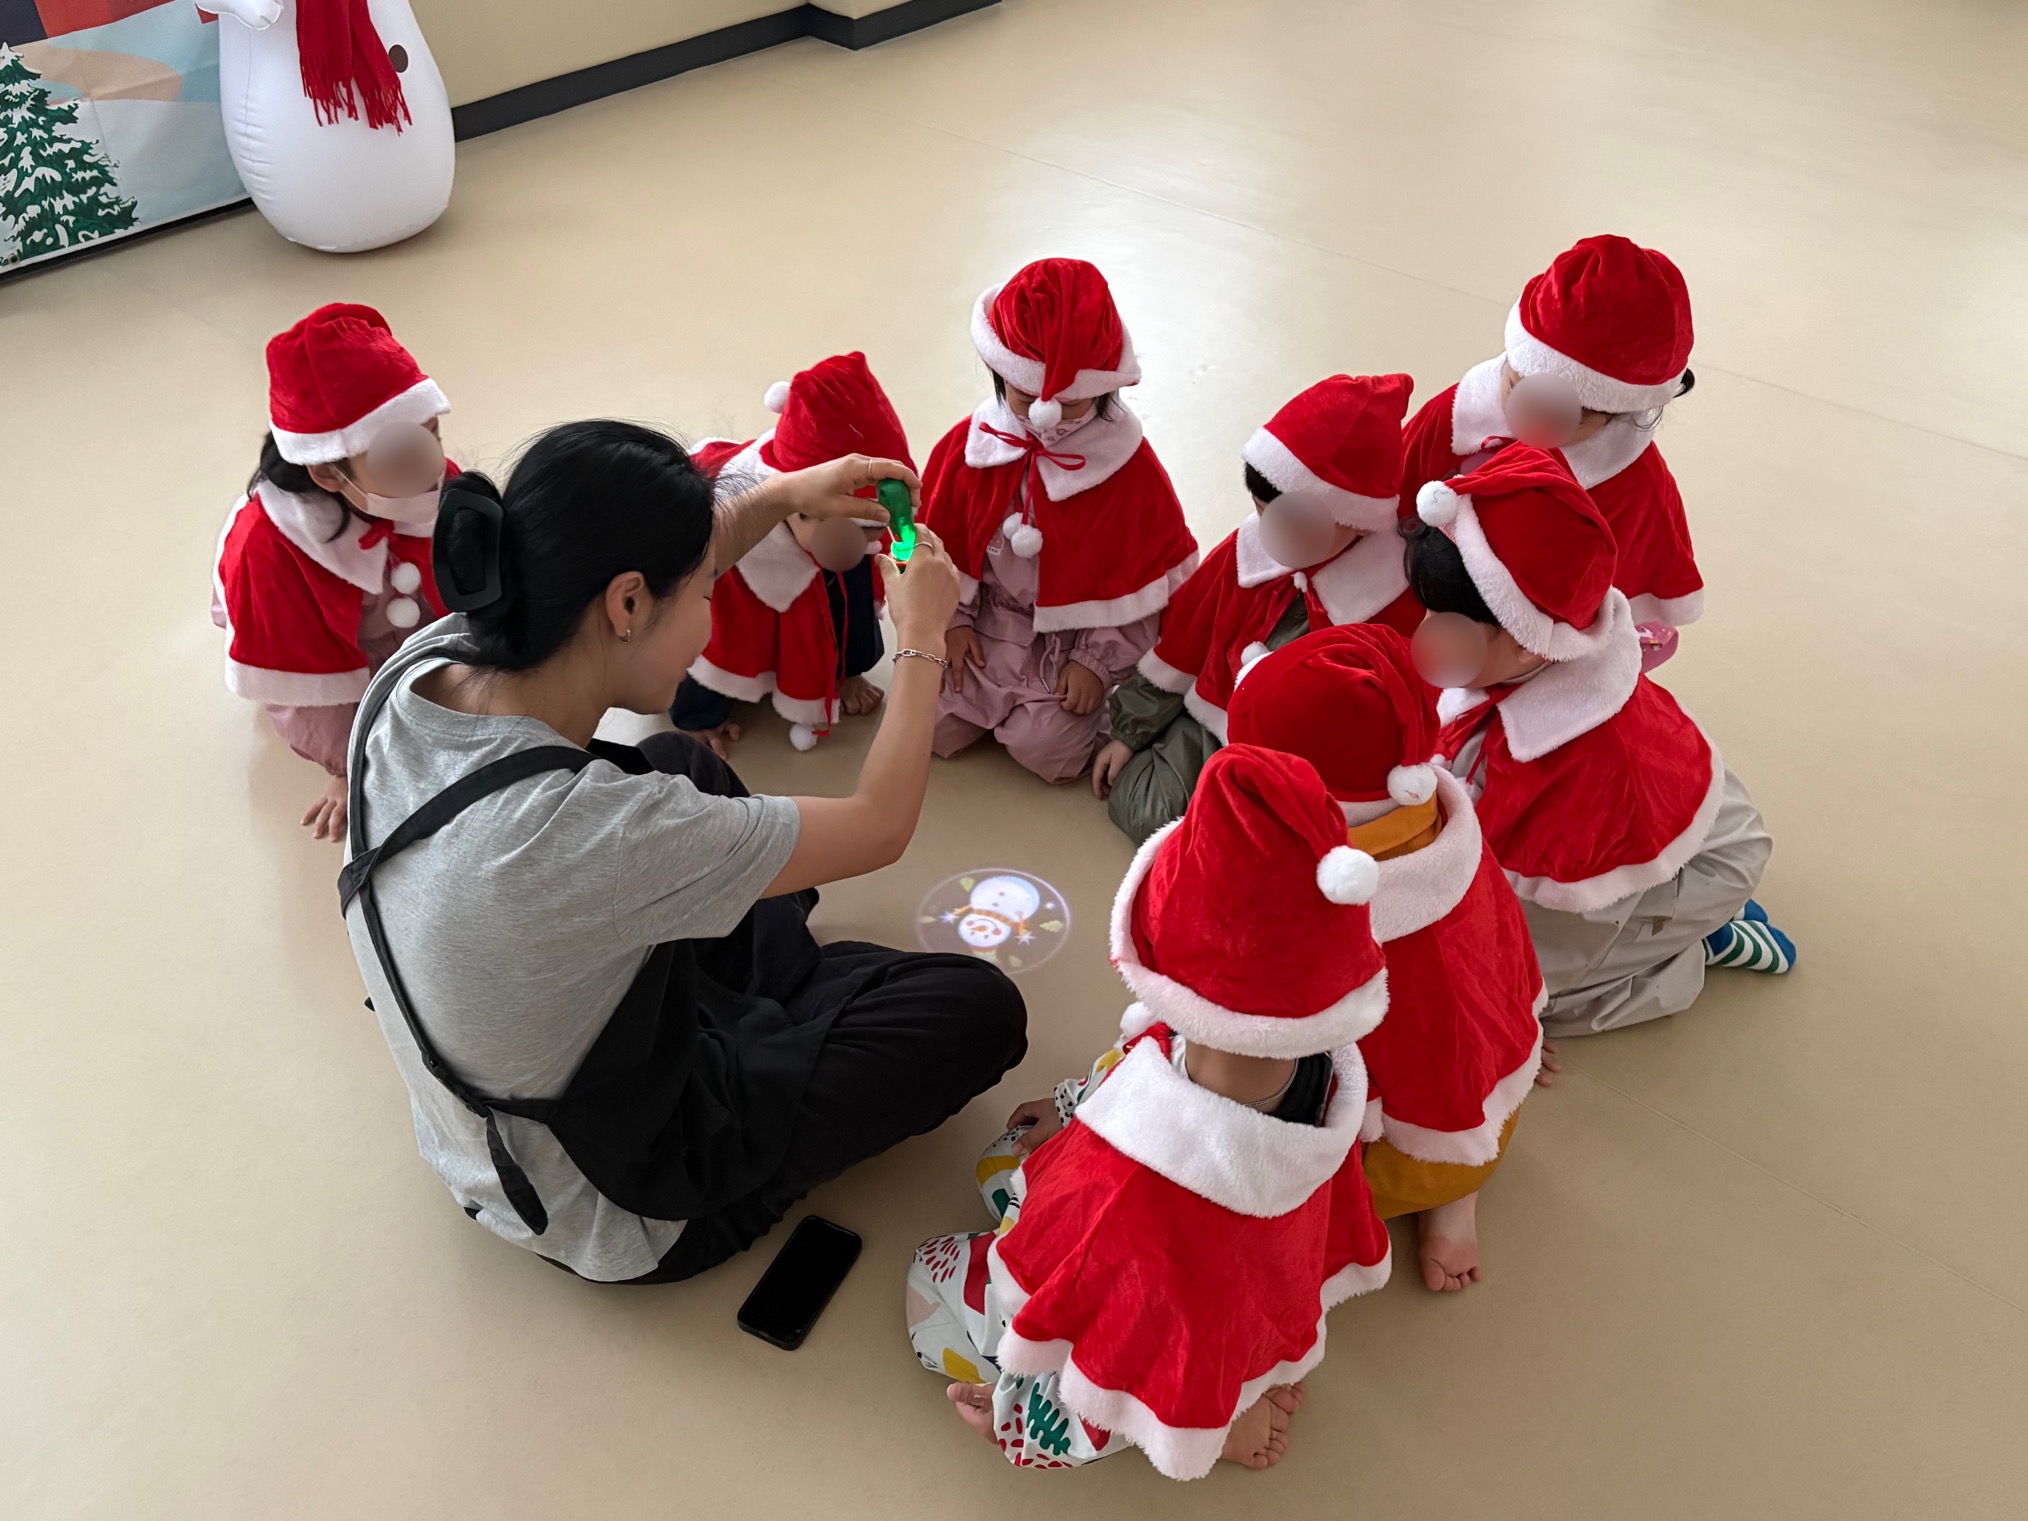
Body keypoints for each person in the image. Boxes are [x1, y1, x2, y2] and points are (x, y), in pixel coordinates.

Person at [338, 419, 1027, 1284]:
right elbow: (880, 824)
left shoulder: (425, 662)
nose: (711, 615)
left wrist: (784, 493)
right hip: (613, 1197)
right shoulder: (586, 833)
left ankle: (774, 1004)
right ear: (626, 604)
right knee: (975, 1009)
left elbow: (652, 575)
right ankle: (781, 1018)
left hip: (518, 1085)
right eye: (706, 591)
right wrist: (920, 634)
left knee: (676, 761)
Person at [905, 745, 1393, 1479]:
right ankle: (1244, 1386)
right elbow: (1145, 1064)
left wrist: (1014, 1419)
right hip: (1246, 1292)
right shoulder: (1322, 1074)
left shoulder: (1136, 1181)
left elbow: (1096, 1282)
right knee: (1007, 1164)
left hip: (1161, 1301)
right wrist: (1077, 1108)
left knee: (930, 1290)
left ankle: (1205, 1421)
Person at [1404, 445, 1792, 1046]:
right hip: (1665, 824)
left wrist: (1513, 1016)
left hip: (1695, 865)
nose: (1424, 634)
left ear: (1526, 642)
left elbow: (1564, 936)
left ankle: (1700, 944)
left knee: (1551, 1003)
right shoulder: (1532, 651)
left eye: (1445, 623)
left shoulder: (1588, 773)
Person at [1227, 624, 1543, 1291]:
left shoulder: (1383, 911)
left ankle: (1453, 1190)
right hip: (1457, 1053)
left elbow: (1431, 1048)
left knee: (1301, 1191)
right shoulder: (1425, 814)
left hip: (1416, 1099)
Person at [1094, 373, 1423, 840]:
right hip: (1215, 710)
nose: (1271, 534)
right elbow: (1187, 636)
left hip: (1299, 755)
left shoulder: (1390, 603)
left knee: (1267, 837)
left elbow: (1392, 715)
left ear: (1356, 521)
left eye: (1292, 523)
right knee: (1143, 808)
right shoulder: (1250, 549)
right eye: (1263, 512)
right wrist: (1131, 730)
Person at [919, 257, 1198, 783]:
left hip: (1070, 641)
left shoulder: (1128, 471)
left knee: (1048, 751)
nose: (1044, 416)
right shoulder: (971, 447)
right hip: (984, 624)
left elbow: (1140, 581)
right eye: (1024, 397)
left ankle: (1078, 711)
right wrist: (950, 622)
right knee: (929, 725)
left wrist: (1095, 661)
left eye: (1070, 405)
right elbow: (933, 543)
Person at [1399, 235, 1703, 668]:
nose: (1530, 420)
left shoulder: (1634, 488)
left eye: (1562, 417)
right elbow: (1397, 482)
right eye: (1516, 389)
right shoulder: (1460, 411)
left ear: (1618, 413)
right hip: (1427, 580)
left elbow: (1613, 593)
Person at [212, 302, 454, 842]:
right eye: (401, 456)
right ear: (326, 473)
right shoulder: (270, 553)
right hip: (305, 633)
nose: (430, 467)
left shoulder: (420, 476)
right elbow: (305, 682)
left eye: (432, 434)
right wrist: (347, 769)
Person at [672, 354, 908, 755]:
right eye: (831, 521)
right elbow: (697, 635)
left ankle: (844, 671)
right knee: (724, 628)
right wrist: (695, 717)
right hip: (740, 562)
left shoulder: (856, 538)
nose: (850, 541)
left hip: (816, 544)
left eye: (869, 524)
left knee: (851, 600)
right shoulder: (730, 546)